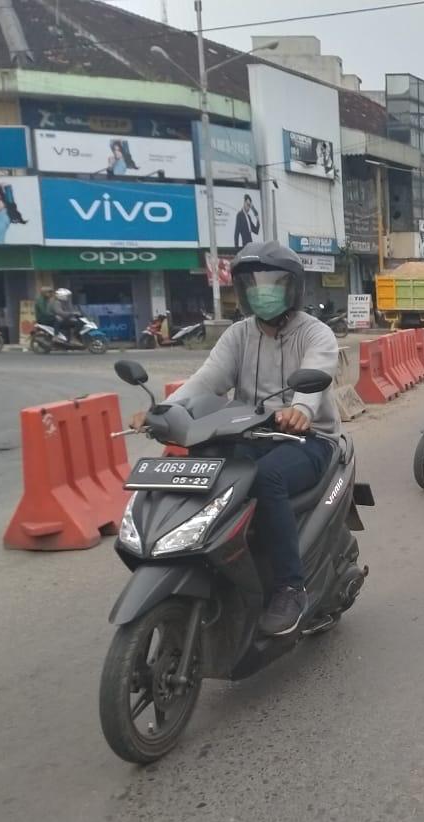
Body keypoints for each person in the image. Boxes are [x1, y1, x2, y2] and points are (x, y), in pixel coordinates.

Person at [130, 241, 340, 636]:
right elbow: (207, 380)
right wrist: (164, 411)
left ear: (293, 287)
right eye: (252, 284)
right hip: (249, 433)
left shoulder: (316, 333)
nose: (262, 291)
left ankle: (290, 587)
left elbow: (317, 371)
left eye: (272, 283)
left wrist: (301, 409)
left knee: (266, 478)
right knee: (200, 464)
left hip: (308, 440)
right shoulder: (238, 335)